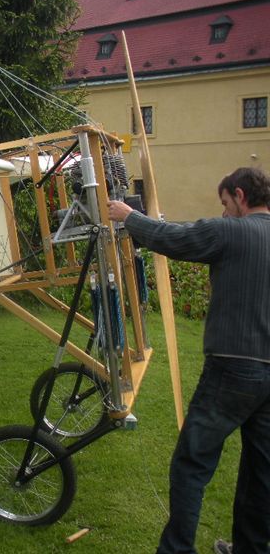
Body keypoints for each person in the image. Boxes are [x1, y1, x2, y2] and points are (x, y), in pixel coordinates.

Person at [107, 167, 270, 554]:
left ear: (240, 195)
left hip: (233, 367)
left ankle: (176, 549)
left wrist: (129, 217)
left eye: (225, 203)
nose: (225, 211)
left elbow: (176, 238)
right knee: (261, 472)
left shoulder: (231, 231)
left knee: (191, 462)